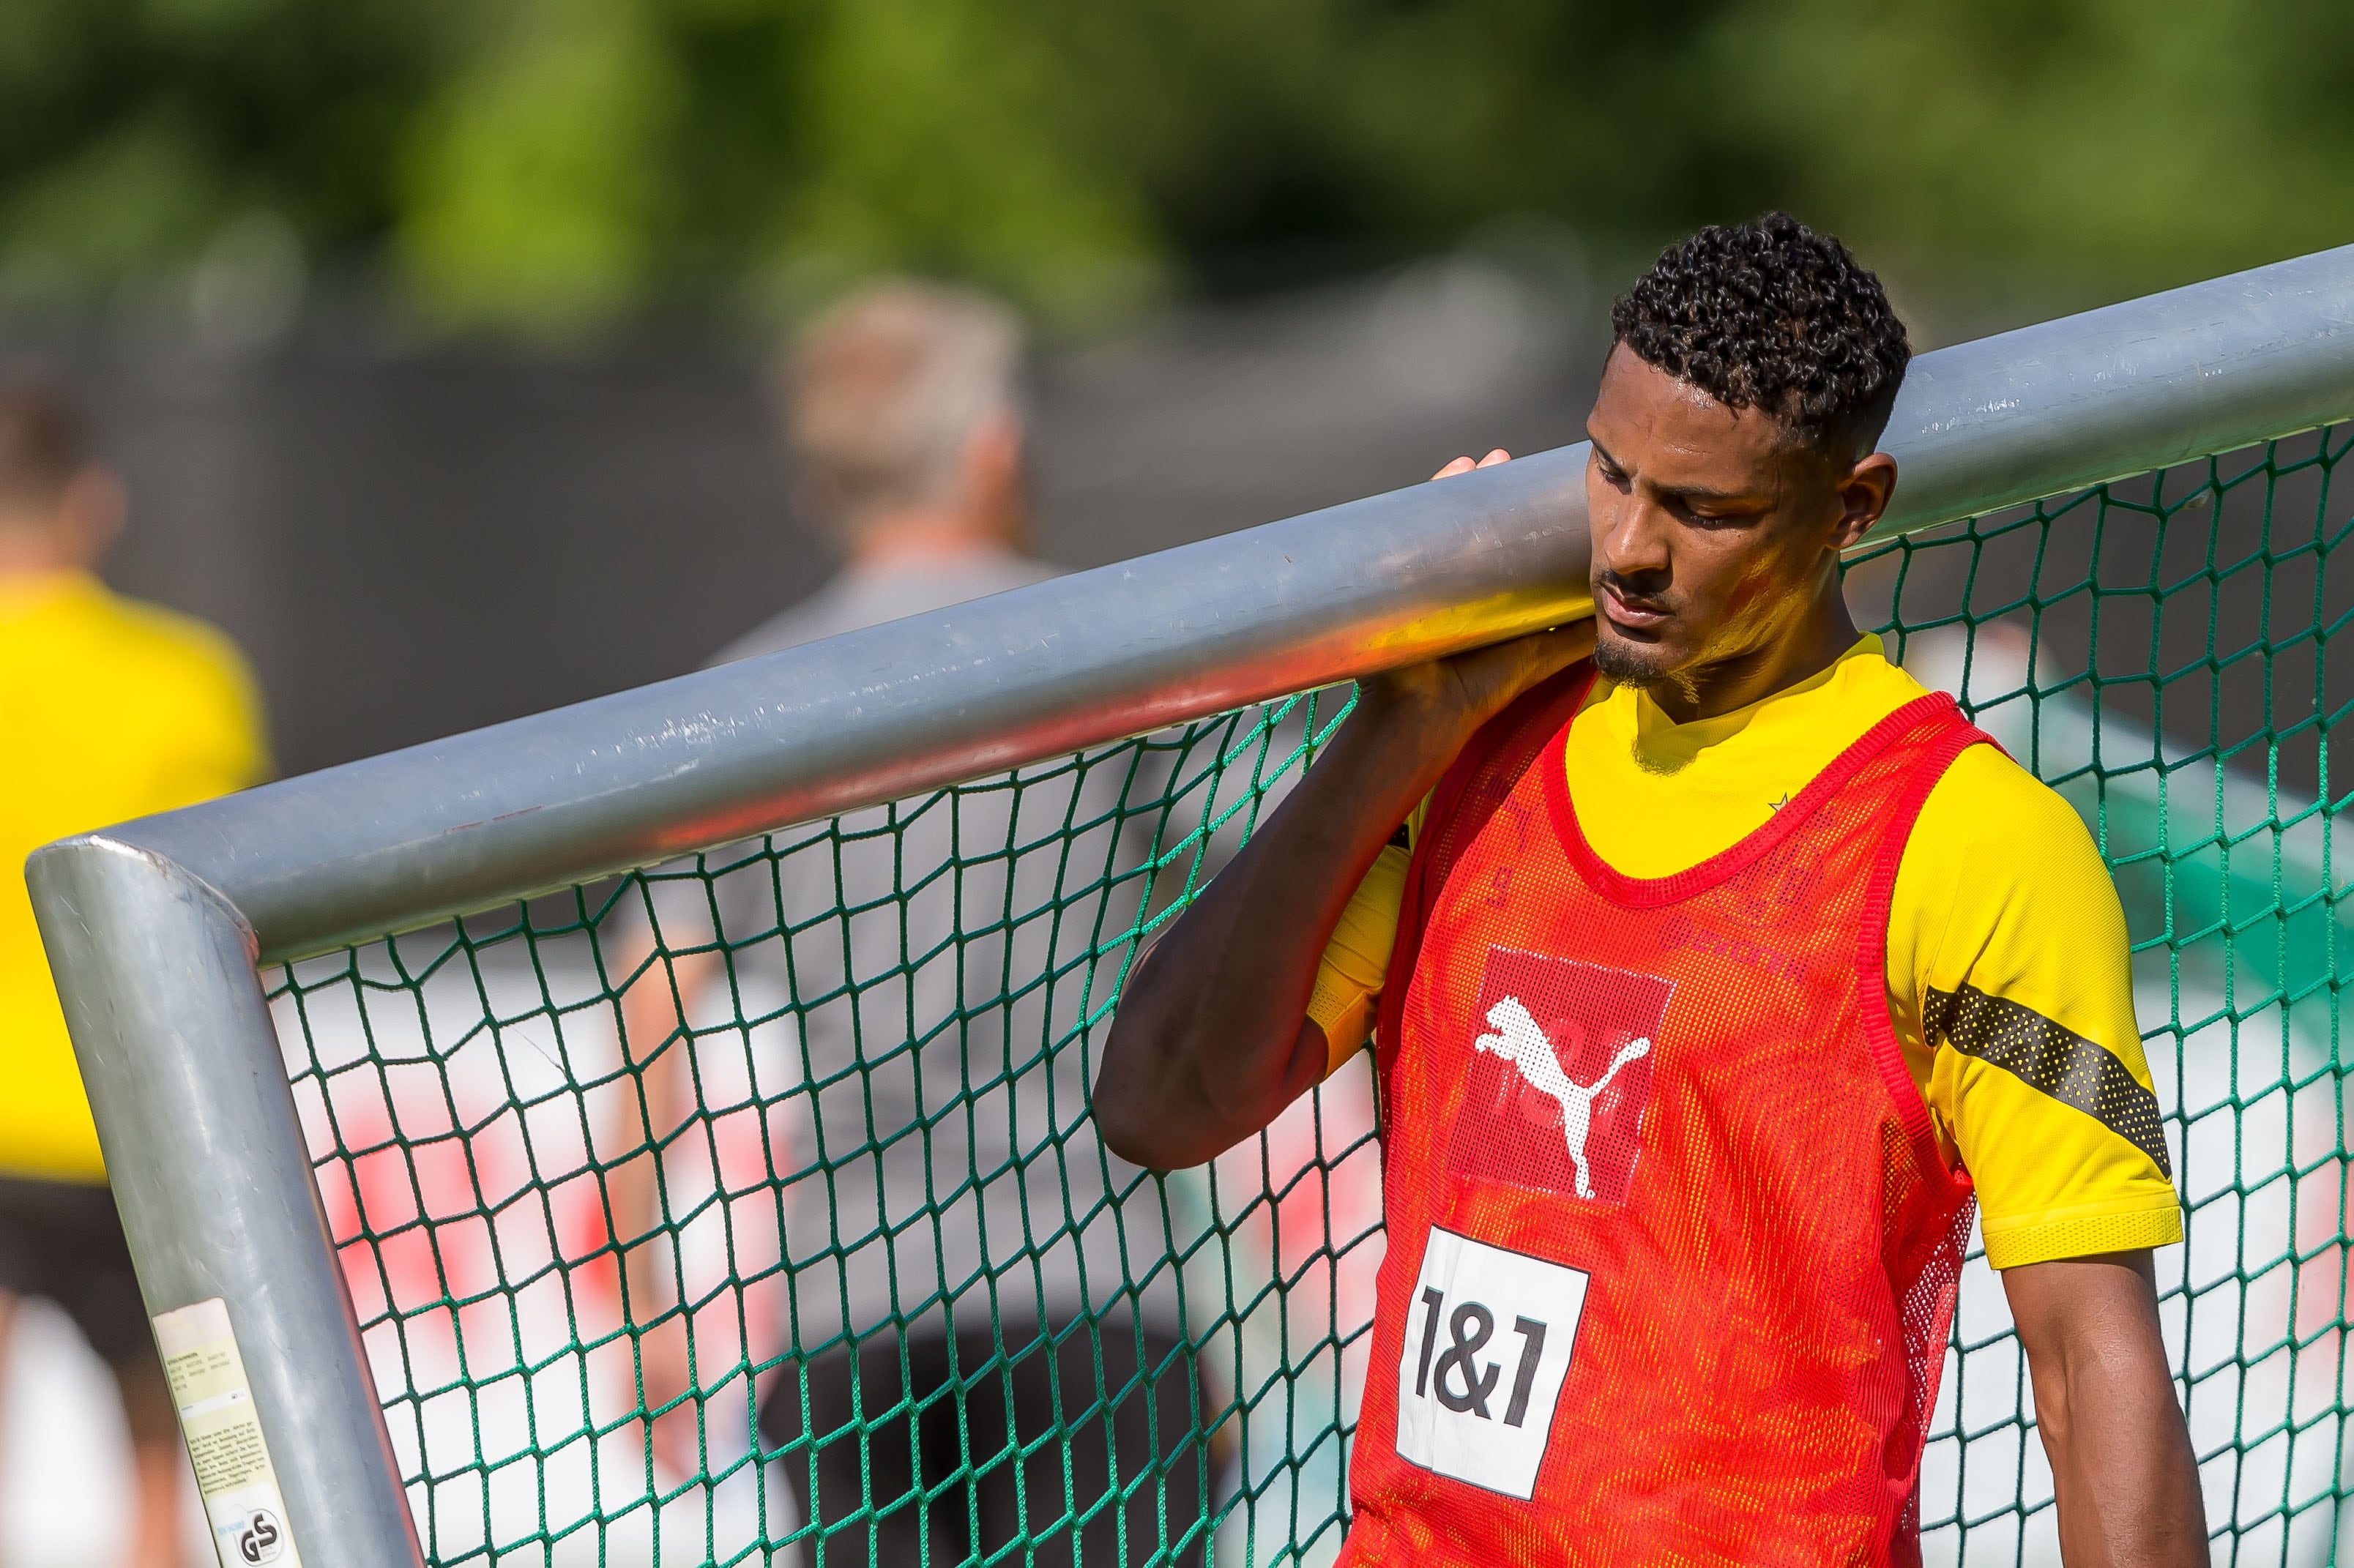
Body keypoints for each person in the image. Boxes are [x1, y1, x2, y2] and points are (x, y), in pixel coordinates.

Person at [1096, 214, 2203, 1565]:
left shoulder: (1972, 839)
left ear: (1854, 505)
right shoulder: (1469, 759)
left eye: (1703, 510)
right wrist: (1394, 730)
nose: (1625, 547)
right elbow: (1162, 1104)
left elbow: (2090, 1360)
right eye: (1609, 474)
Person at [616, 280, 1202, 1566]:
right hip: (1091, 1288)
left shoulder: (741, 701)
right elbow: (1253, 909)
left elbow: (653, 1002)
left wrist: (644, 1304)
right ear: (996, 449)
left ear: (820, 488)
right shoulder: (1119, 649)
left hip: (849, 1317)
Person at [0, 382, 272, 1568]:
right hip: (140, 1137)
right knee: (172, 1468)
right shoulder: (185, 677)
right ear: (93, 504)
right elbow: (235, 914)